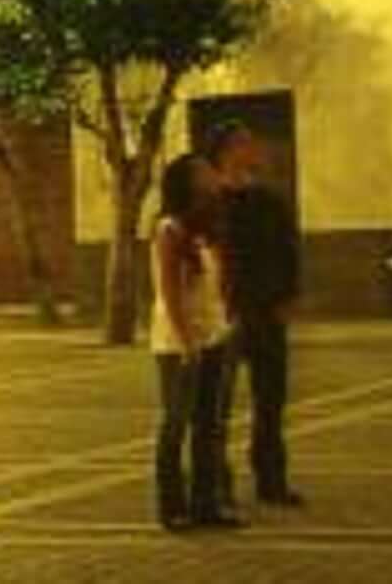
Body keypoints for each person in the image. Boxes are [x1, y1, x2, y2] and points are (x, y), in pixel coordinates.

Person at [209, 122, 301, 507]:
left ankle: (271, 478)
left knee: (271, 400)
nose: (254, 151)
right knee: (217, 405)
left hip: (267, 311)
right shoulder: (210, 203)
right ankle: (218, 482)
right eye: (245, 144)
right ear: (227, 151)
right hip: (225, 315)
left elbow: (288, 249)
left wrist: (288, 296)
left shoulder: (269, 201)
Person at [148, 152, 239, 533]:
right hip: (179, 341)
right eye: (203, 170)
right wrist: (187, 343)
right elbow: (169, 292)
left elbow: (215, 284)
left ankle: (207, 503)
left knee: (209, 424)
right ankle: (172, 506)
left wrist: (225, 322)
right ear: (187, 182)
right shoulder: (169, 229)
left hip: (212, 334)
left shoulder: (205, 227)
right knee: (176, 422)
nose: (211, 174)